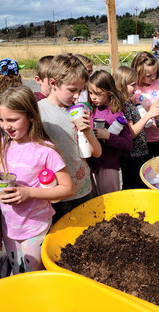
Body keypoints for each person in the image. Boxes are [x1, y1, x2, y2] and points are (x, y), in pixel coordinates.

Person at [0, 86, 73, 275]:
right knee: (17, 276)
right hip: (8, 230)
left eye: (12, 120)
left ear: (32, 116)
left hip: (35, 230)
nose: (5, 126)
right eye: (1, 120)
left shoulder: (46, 151)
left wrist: (29, 192)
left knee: (34, 277)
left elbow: (67, 188)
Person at [38, 54, 101, 222]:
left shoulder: (79, 111)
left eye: (80, 91)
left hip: (84, 188)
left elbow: (96, 153)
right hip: (58, 194)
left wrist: (87, 131)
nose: (76, 96)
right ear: (53, 83)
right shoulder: (39, 113)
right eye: (72, 90)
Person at [113, 66, 159, 189]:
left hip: (138, 154)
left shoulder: (128, 102)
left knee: (139, 184)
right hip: (131, 156)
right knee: (132, 187)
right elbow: (131, 133)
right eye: (132, 85)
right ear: (122, 85)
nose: (136, 88)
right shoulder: (123, 106)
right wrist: (149, 115)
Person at [88, 70, 132, 195]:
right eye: (90, 93)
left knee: (110, 202)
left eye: (98, 93)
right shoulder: (91, 110)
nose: (93, 97)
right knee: (94, 204)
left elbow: (128, 144)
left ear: (110, 93)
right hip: (91, 166)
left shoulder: (117, 114)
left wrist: (108, 136)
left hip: (108, 167)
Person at [131, 52, 159, 158]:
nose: (153, 77)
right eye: (148, 75)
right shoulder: (134, 90)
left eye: (155, 73)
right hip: (143, 140)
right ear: (137, 73)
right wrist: (150, 109)